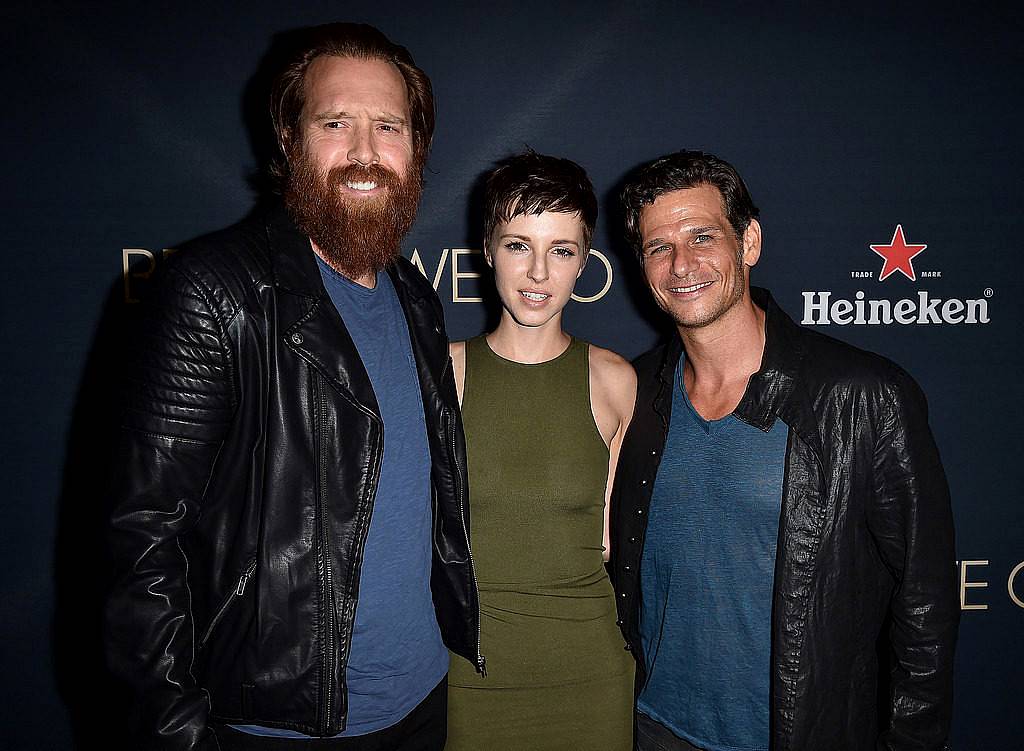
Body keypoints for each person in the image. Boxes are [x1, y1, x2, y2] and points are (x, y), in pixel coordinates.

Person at [105, 23, 482, 751]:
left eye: (389, 127)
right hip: (273, 724)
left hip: (422, 705)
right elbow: (141, 539)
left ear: (417, 148)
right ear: (289, 140)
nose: (366, 153)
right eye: (335, 123)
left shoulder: (417, 299)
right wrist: (177, 733)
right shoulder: (215, 291)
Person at [610, 150, 959, 751]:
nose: (682, 264)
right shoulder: (631, 396)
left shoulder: (865, 396)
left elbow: (925, 601)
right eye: (658, 247)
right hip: (654, 730)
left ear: (749, 243)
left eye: (702, 236)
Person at [444, 153, 636, 749]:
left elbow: (614, 539)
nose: (537, 273)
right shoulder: (442, 373)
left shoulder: (613, 380)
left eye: (560, 250)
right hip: (466, 675)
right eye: (517, 245)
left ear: (584, 261)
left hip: (590, 676)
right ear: (486, 249)